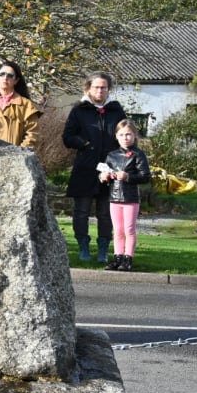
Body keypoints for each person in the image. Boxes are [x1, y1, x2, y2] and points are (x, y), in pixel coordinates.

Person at [61, 70, 125, 265]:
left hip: (110, 169)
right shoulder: (79, 110)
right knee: (81, 211)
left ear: (108, 90)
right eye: (96, 87)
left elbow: (125, 134)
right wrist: (85, 144)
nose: (100, 91)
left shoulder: (116, 110)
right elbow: (67, 137)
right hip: (85, 168)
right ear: (88, 88)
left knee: (106, 213)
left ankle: (104, 249)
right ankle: (83, 247)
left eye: (104, 87)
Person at [98, 118, 151, 272]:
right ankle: (117, 257)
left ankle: (128, 259)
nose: (125, 138)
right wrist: (103, 177)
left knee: (129, 229)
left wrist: (128, 177)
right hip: (114, 198)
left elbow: (145, 176)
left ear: (134, 136)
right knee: (118, 229)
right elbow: (104, 173)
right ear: (116, 136)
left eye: (128, 134)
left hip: (130, 198)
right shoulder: (112, 155)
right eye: (121, 135)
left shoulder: (138, 154)